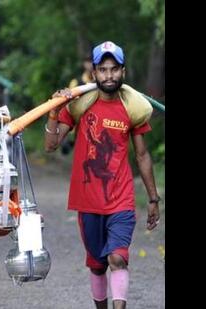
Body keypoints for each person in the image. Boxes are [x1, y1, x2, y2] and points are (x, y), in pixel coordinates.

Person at [44, 41, 161, 309]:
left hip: (121, 199)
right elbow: (51, 146)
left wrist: (153, 198)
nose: (109, 76)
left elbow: (142, 155)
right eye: (103, 70)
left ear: (123, 72)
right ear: (93, 73)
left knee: (117, 259)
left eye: (114, 69)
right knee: (97, 266)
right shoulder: (80, 105)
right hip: (88, 202)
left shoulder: (132, 108)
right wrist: (53, 111)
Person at [61, 56, 95, 155]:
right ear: (84, 64)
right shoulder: (77, 82)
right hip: (78, 122)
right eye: (88, 62)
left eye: (92, 62)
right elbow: (69, 102)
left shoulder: (101, 83)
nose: (90, 65)